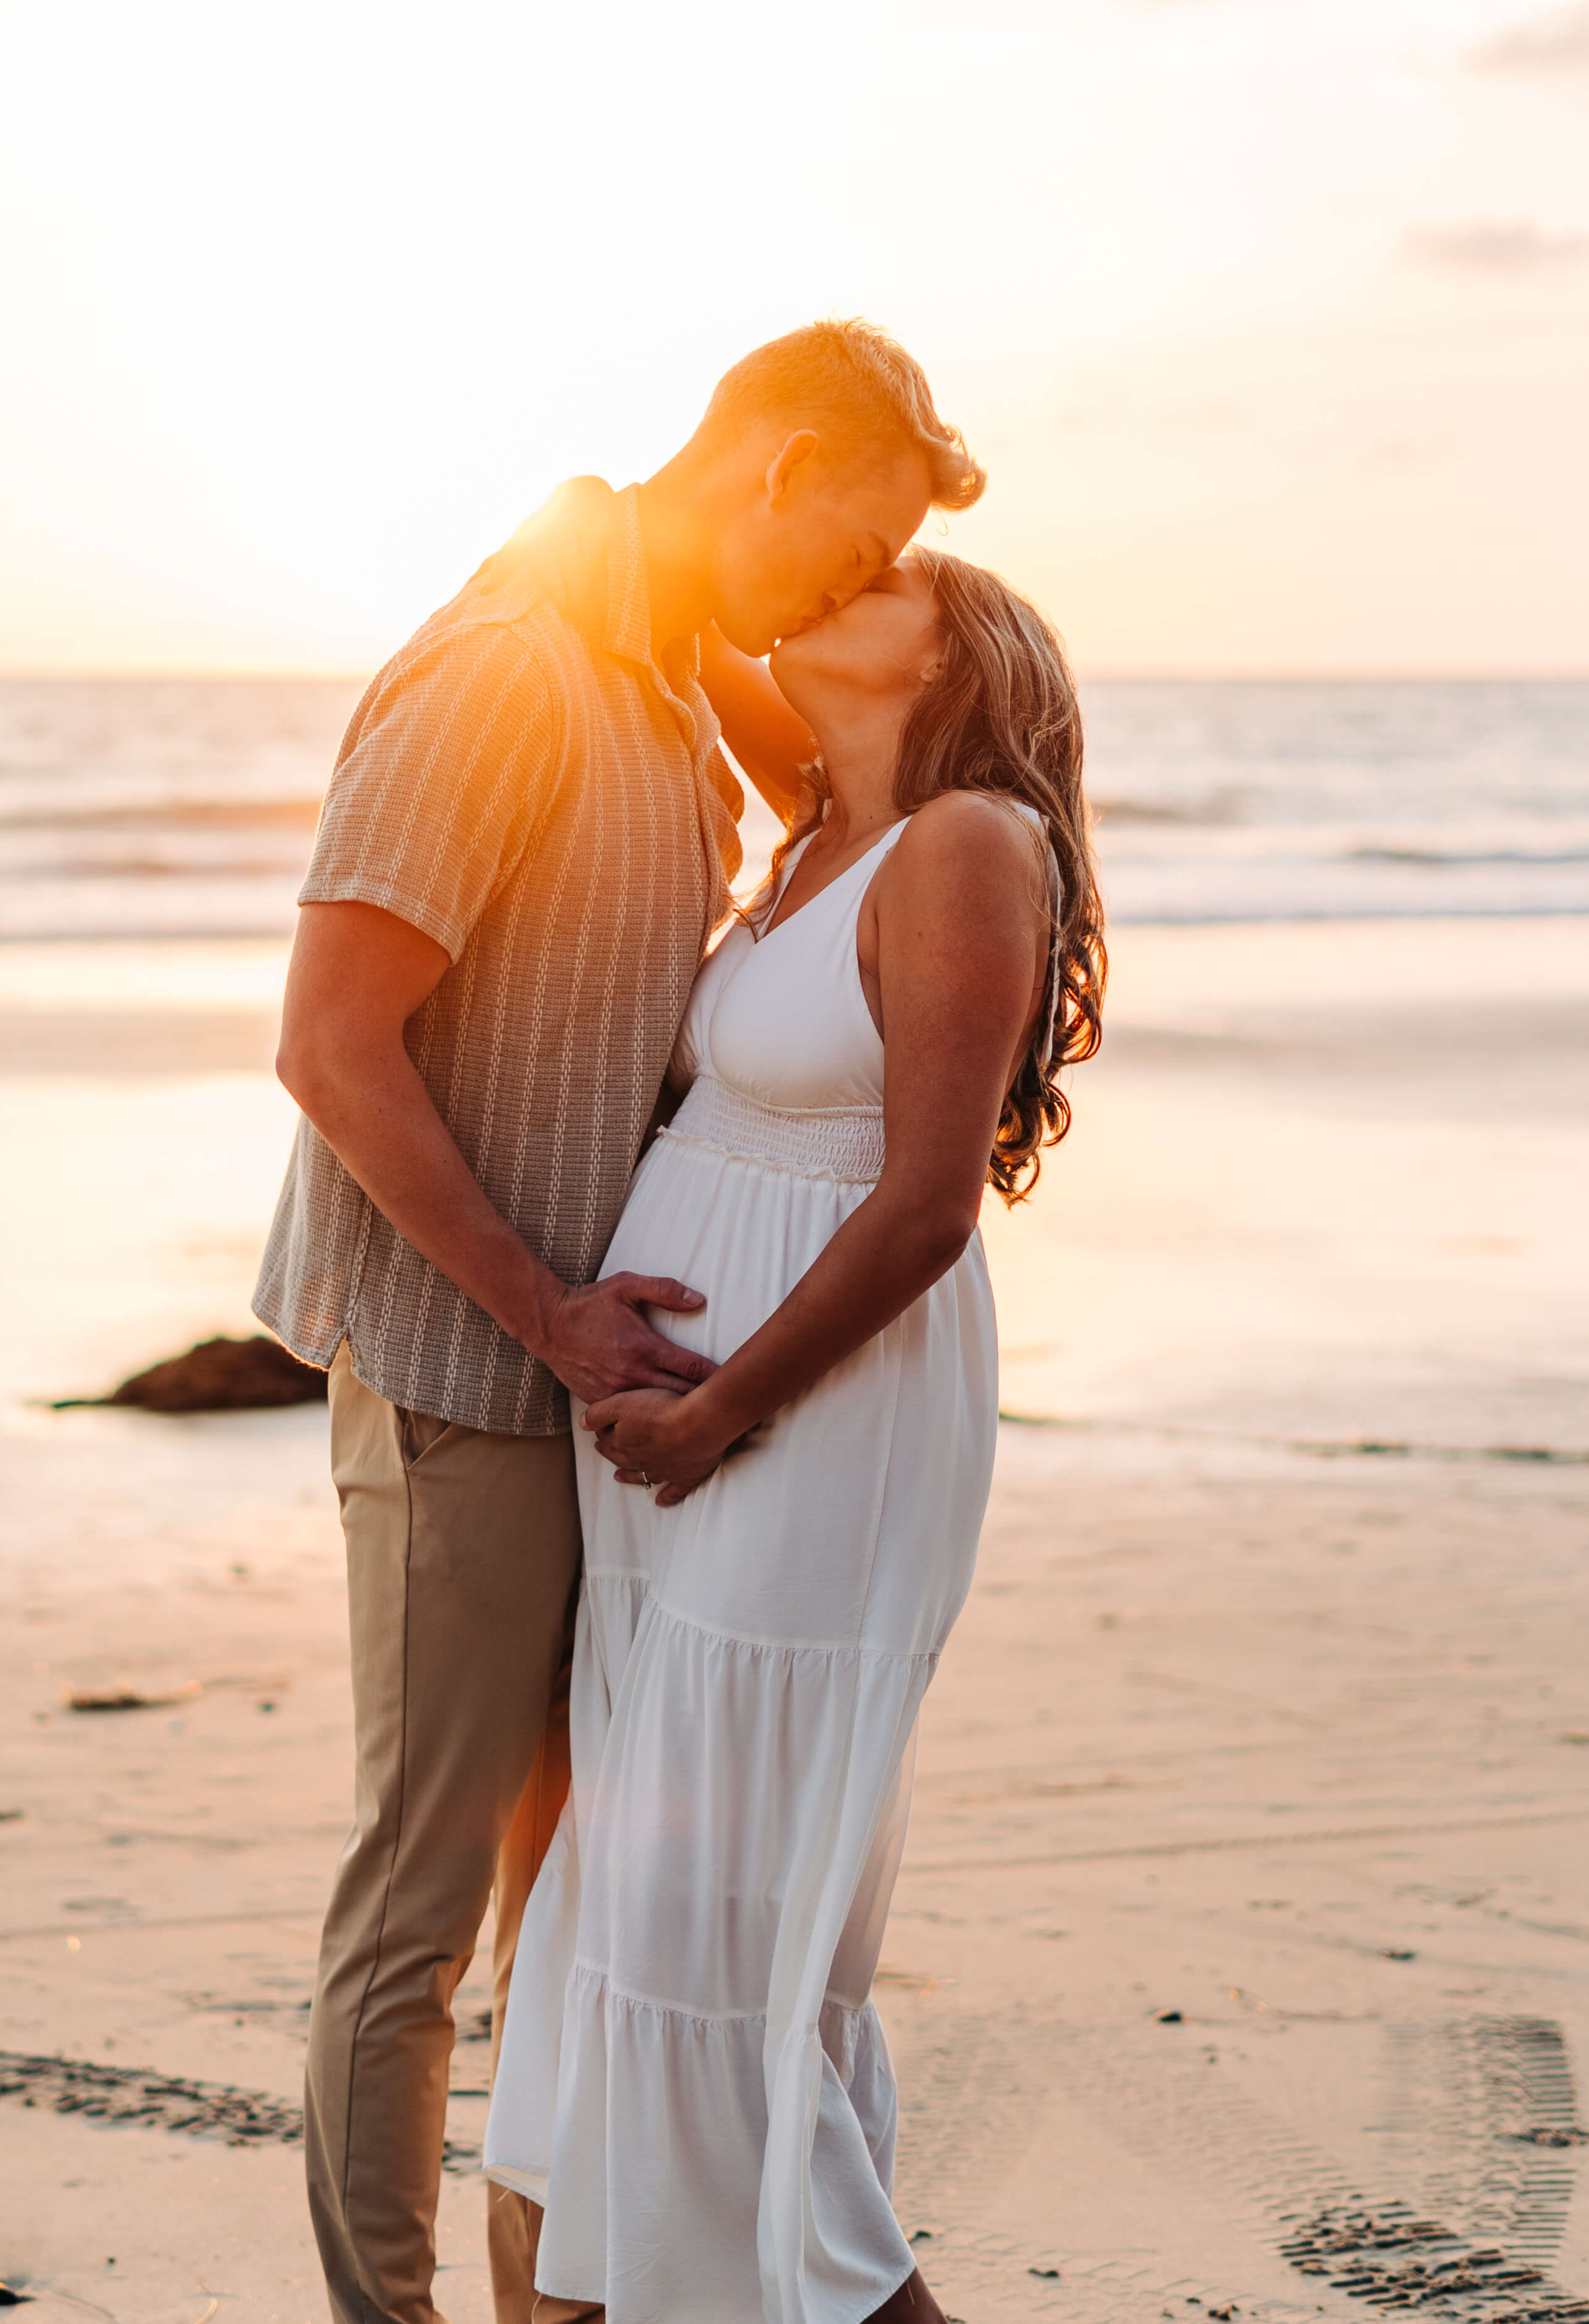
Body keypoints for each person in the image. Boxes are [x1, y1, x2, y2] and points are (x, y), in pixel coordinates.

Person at [259, 320, 989, 2324]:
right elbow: (330, 1044)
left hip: (617, 1412)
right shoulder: (504, 667)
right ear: (771, 468)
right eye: (847, 545)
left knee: (578, 1912)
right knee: (416, 1919)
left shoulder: (663, 672)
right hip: (471, 1378)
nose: (845, 596)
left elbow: (901, 811)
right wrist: (555, 1321)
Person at [479, 549, 1106, 2324]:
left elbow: (924, 1211)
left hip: (811, 1425)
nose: (835, 577)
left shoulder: (968, 841)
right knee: (691, 1926)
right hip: (686, 1451)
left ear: (958, 654)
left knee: (706, 1955)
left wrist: (727, 1407)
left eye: (883, 572)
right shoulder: (819, 834)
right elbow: (684, 598)